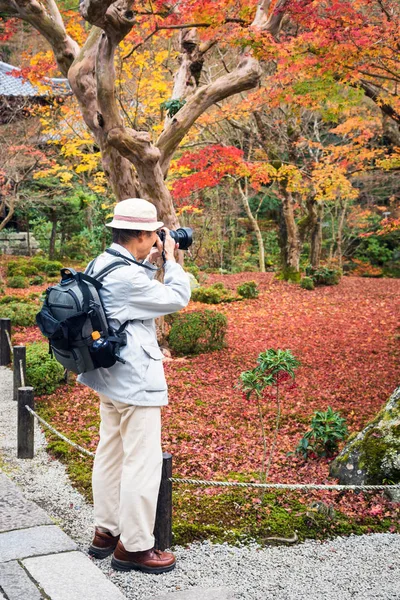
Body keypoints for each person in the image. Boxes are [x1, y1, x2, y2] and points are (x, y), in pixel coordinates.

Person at [77, 197, 191, 573]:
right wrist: (171, 261)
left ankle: (105, 533)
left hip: (106, 379)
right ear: (142, 235)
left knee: (109, 454)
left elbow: (128, 292)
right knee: (142, 462)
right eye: (154, 235)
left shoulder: (104, 262)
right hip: (135, 383)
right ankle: (136, 547)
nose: (159, 241)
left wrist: (151, 260)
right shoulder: (126, 275)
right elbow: (177, 297)